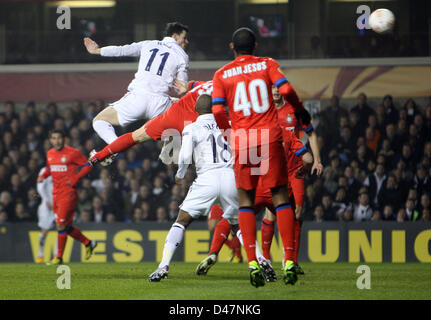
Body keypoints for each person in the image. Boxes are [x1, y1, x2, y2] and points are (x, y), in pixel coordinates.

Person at [211, 27, 307, 287]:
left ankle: (252, 262)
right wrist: (300, 111)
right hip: (270, 137)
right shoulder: (267, 64)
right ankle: (288, 260)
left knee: (245, 200)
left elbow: (218, 108)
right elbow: (285, 89)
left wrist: (228, 131)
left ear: (232, 47)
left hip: (243, 141)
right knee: (280, 197)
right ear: (255, 47)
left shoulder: (221, 74)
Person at [148, 95, 238, 282]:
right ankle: (260, 262)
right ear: (214, 108)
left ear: (196, 109)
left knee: (181, 221)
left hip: (207, 178)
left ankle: (163, 266)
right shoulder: (229, 123)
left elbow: (185, 156)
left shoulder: (192, 127)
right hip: (230, 177)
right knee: (239, 225)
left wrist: (180, 174)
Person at [83, 22, 189, 150]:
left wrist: (98, 50)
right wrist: (183, 91)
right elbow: (181, 88)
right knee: (185, 120)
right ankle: (177, 158)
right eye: (184, 38)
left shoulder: (148, 44)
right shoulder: (182, 56)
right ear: (175, 36)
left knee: (99, 121)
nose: (186, 41)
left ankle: (116, 145)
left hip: (137, 99)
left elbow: (122, 50)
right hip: (160, 104)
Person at [87, 80, 212, 167]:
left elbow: (195, 84)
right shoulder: (226, 87)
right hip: (195, 124)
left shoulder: (214, 81)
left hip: (173, 114)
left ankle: (99, 156)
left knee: (135, 137)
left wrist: (187, 85)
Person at [37, 130, 97, 265]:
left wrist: (76, 178)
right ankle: (89, 243)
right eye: (53, 138)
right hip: (56, 194)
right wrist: (43, 175)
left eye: (59, 138)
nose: (56, 141)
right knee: (67, 227)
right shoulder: (50, 153)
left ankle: (58, 257)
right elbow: (49, 168)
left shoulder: (72, 153)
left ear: (64, 139)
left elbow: (88, 165)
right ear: (50, 140)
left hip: (68, 193)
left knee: (60, 225)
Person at [35, 167, 55, 263]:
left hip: (59, 204)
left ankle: (57, 255)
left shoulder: (62, 168)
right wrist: (46, 200)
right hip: (47, 206)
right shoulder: (45, 170)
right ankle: (40, 254)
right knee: (45, 230)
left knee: (62, 229)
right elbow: (40, 185)